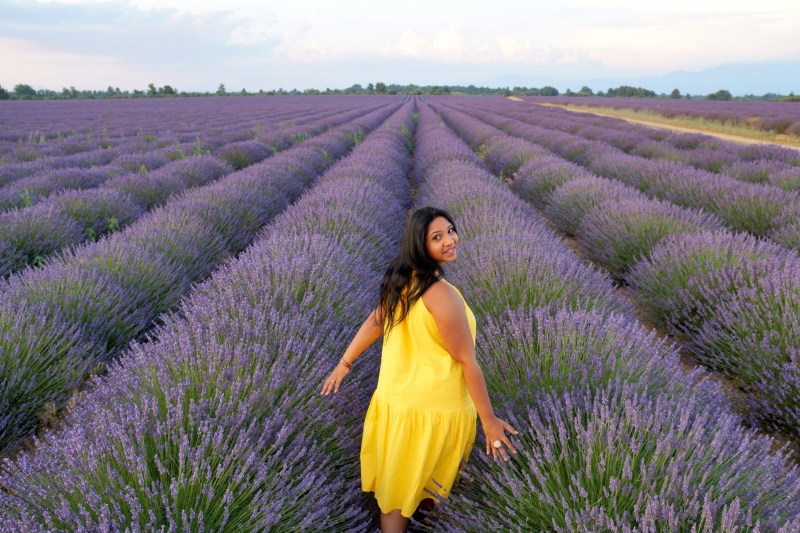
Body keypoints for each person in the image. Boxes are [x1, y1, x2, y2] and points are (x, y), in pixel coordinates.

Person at [321, 206, 518, 533]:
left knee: (396, 494)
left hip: (396, 407)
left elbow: (375, 320)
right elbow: (467, 361)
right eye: (436, 237)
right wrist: (489, 421)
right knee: (431, 490)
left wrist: (345, 362)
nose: (449, 241)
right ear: (419, 245)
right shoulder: (442, 295)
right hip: (435, 414)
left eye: (450, 231)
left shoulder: (404, 281)